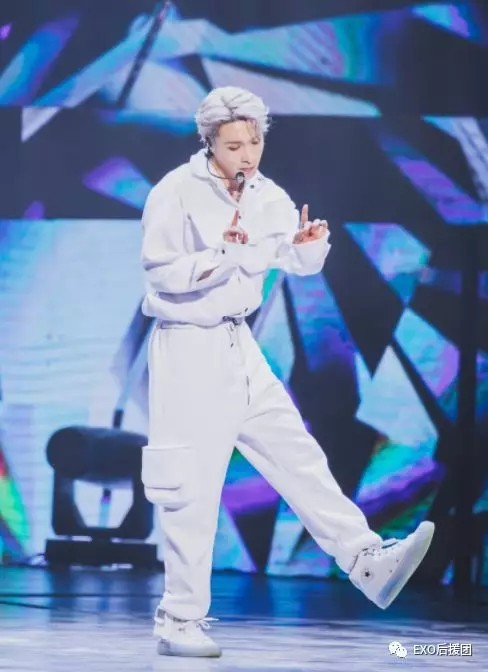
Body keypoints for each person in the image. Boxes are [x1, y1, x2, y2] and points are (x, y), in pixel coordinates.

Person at [140, 86, 435, 658]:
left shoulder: (267, 195)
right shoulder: (174, 192)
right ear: (209, 142)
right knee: (190, 487)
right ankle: (179, 619)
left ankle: (365, 559)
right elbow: (160, 272)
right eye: (234, 145)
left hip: (238, 342)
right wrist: (220, 256)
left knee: (296, 453)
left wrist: (307, 246)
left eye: (254, 143)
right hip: (187, 345)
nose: (247, 155)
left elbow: (290, 260)